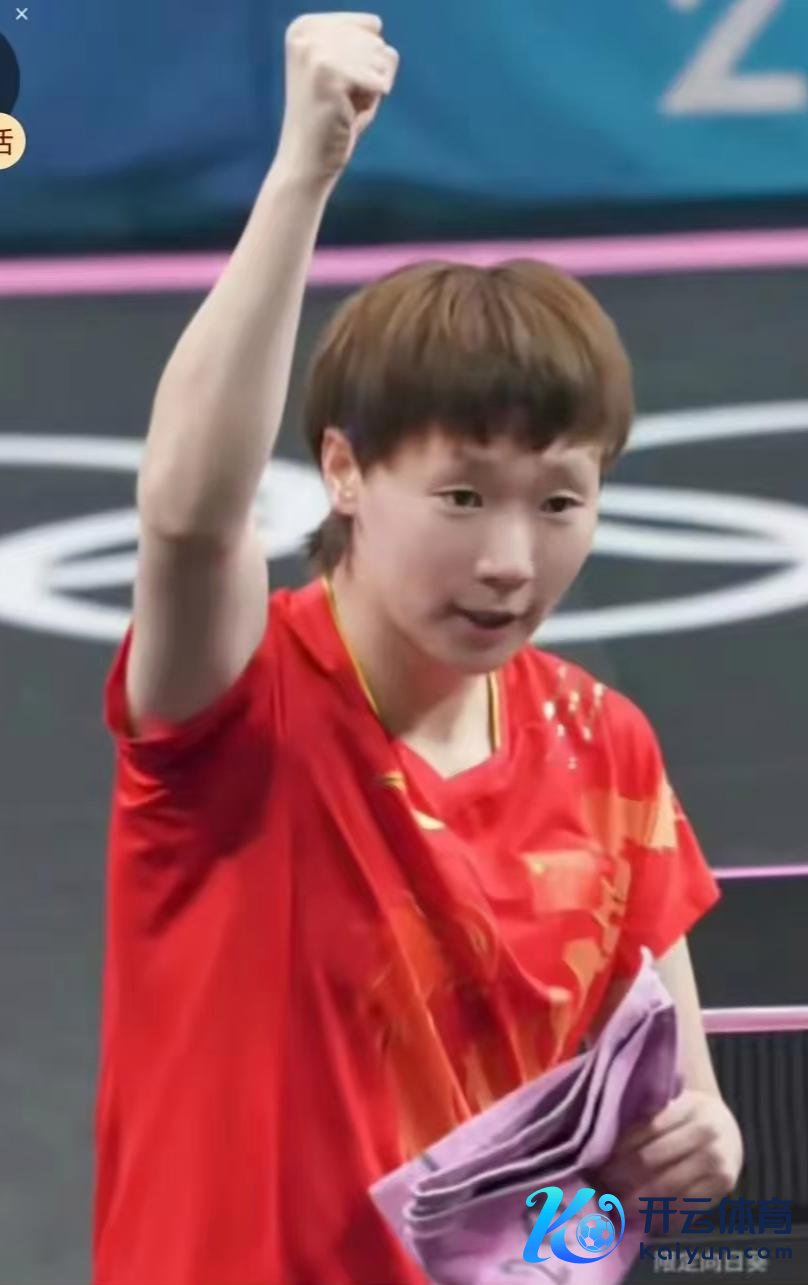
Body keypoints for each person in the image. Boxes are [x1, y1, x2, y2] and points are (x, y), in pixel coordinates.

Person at [91, 13, 743, 1285]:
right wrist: (303, 173)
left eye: (558, 502)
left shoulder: (607, 749)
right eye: (460, 496)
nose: (509, 560)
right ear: (342, 470)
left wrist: (695, 1149)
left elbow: (659, 1132)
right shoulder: (243, 704)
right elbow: (187, 515)